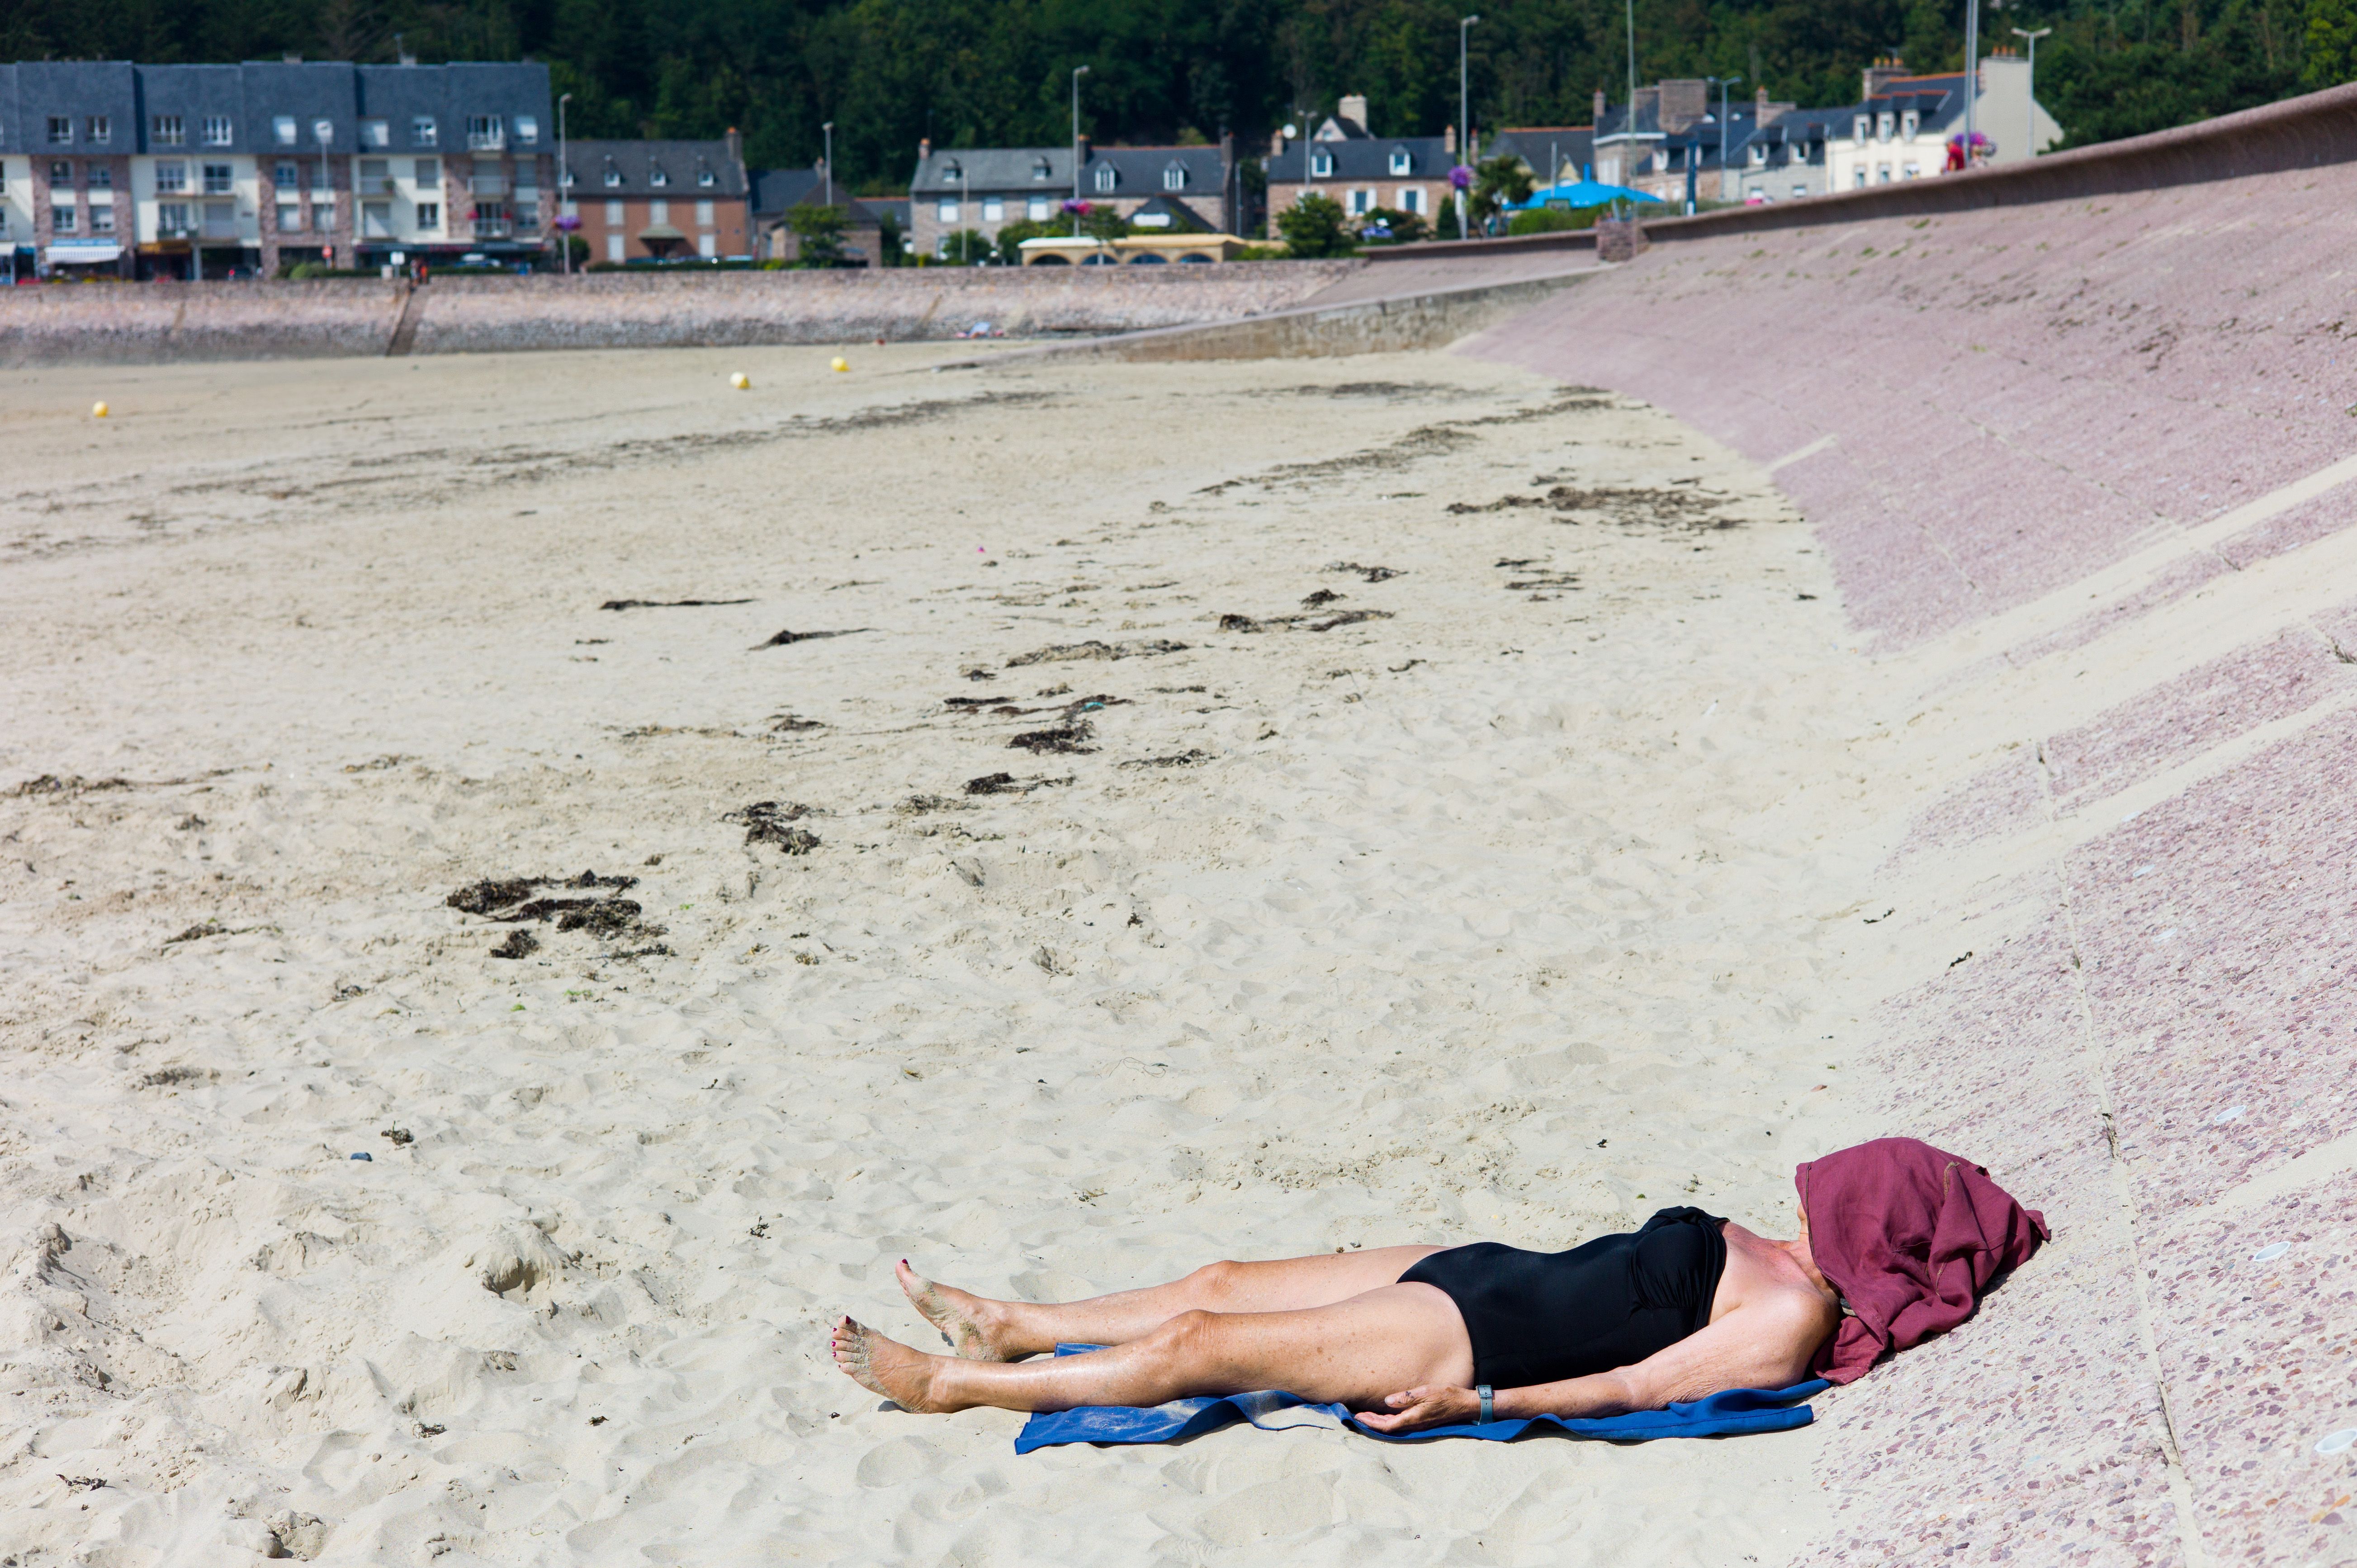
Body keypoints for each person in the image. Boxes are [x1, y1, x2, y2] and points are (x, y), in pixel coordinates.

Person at [831, 1205, 1842, 1434]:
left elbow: (1635, 1389)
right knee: (1218, 1280)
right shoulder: (1774, 1243)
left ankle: (952, 1383)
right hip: (1483, 1269)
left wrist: (1481, 1399)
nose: (1808, 1209)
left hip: (1473, 1338)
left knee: (1200, 1346)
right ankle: (1009, 1323)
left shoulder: (1787, 1312)